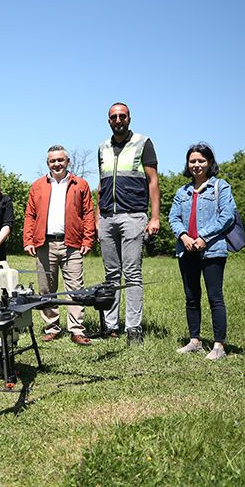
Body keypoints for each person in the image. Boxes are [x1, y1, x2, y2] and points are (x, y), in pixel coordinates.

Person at [97, 102, 160, 345]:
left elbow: (153, 181)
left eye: (122, 116)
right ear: (108, 120)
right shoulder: (102, 147)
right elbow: (101, 184)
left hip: (133, 216)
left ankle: (133, 328)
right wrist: (96, 217)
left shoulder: (143, 143)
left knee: (132, 273)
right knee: (111, 274)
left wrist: (154, 217)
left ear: (129, 118)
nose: (118, 120)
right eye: (114, 117)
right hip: (107, 217)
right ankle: (111, 326)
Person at [169, 143, 236, 360]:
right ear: (187, 165)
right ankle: (195, 341)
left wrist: (203, 237)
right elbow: (173, 218)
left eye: (201, 161)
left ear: (209, 163)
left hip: (213, 250)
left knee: (215, 297)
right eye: (192, 161)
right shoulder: (182, 191)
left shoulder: (220, 187)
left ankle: (219, 346)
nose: (197, 165)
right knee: (191, 297)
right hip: (186, 250)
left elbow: (227, 216)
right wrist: (185, 237)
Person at [23, 145, 95, 346]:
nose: (57, 164)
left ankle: (77, 330)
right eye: (52, 161)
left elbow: (88, 213)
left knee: (76, 288)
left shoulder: (79, 184)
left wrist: (88, 239)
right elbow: (30, 215)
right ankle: (52, 327)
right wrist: (28, 240)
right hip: (44, 243)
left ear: (67, 161)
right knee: (47, 289)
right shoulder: (37, 186)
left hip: (72, 243)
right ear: (48, 163)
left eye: (60, 160)